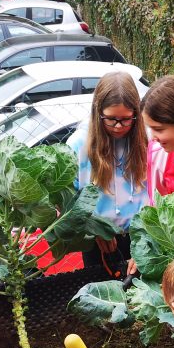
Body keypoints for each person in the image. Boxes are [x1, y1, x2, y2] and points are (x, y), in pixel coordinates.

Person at [69, 71, 149, 278]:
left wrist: (147, 239)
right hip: (98, 242)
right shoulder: (79, 144)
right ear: (98, 112)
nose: (119, 126)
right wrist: (93, 228)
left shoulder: (148, 141)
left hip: (142, 238)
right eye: (111, 119)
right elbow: (69, 199)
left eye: (126, 119)